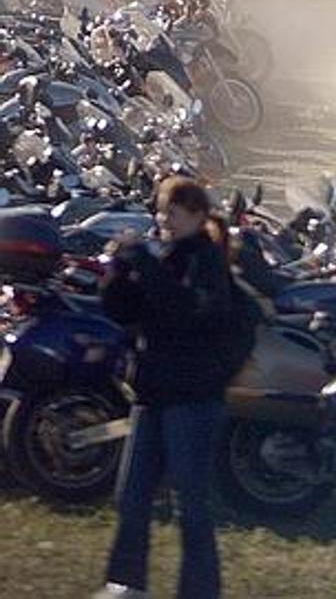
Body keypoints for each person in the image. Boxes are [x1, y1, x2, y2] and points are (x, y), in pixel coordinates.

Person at [94, 177, 237, 599]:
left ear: (196, 215)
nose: (163, 220)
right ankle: (125, 584)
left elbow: (185, 313)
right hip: (153, 394)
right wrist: (119, 269)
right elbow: (124, 310)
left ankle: (199, 591)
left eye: (172, 212)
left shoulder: (206, 263)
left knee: (190, 504)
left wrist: (148, 264)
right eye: (159, 212)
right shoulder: (166, 258)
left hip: (192, 400)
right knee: (132, 497)